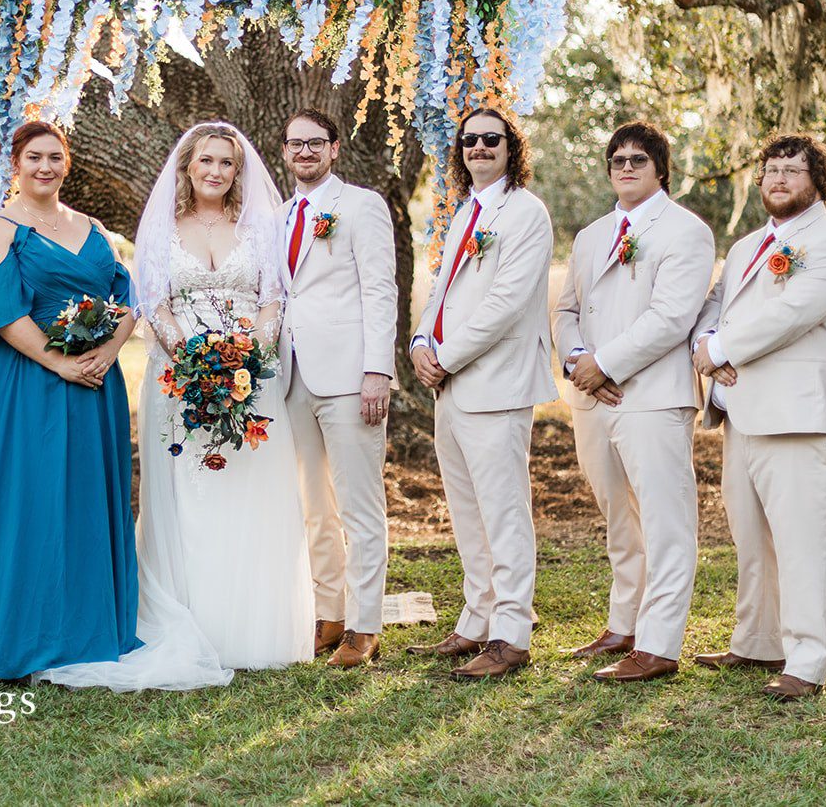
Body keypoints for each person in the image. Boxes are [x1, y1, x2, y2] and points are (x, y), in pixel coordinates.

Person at [41, 121, 312, 691]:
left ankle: (251, 624)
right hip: (179, 376)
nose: (215, 171)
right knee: (188, 493)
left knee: (249, 489)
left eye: (227, 163)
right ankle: (193, 617)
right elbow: (154, 303)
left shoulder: (258, 229)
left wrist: (245, 359)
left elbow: (271, 300)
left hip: (249, 376)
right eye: (206, 161)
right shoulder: (164, 229)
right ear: (187, 166)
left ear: (238, 173)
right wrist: (194, 359)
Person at [0, 122, 142, 681]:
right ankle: (14, 632)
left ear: (67, 163)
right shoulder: (1, 228)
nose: (45, 167)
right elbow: (0, 312)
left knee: (82, 498)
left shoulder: (94, 228)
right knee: (26, 498)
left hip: (93, 383)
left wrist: (109, 352)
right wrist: (60, 362)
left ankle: (83, 627)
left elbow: (129, 299)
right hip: (23, 383)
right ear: (14, 164)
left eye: (55, 158)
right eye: (34, 158)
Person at [689, 134, 826, 702]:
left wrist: (719, 353)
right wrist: (707, 342)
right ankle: (759, 638)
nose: (780, 179)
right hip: (742, 415)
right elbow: (714, 309)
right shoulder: (745, 247)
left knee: (805, 542)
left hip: (801, 417)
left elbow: (790, 315)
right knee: (752, 538)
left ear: (818, 181)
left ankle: (807, 660)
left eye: (794, 169)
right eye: (771, 170)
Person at [553, 121, 714, 683]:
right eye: (617, 159)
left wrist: (608, 363)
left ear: (660, 169)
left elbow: (671, 317)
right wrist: (577, 362)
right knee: (618, 517)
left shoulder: (686, 231)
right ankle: (623, 624)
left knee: (667, 522)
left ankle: (660, 644)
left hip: (653, 396)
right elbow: (567, 310)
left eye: (637, 159)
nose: (625, 166)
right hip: (593, 397)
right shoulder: (591, 236)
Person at [405, 107, 555, 680]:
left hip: (496, 382)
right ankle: (476, 619)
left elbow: (505, 304)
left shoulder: (526, 213)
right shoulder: (466, 211)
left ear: (510, 148)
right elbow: (441, 290)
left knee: (504, 511)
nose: (479, 148)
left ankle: (512, 633)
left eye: (492, 139)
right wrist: (421, 338)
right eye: (469, 141)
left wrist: (444, 356)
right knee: (467, 511)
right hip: (453, 386)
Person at [278, 110, 398, 668]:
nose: (304, 152)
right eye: (294, 144)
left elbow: (380, 291)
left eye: (314, 143)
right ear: (284, 152)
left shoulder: (361, 205)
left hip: (350, 377)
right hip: (291, 376)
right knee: (313, 504)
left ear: (333, 149)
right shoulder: (278, 217)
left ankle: (365, 625)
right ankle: (330, 614)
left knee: (358, 503)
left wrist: (378, 370)